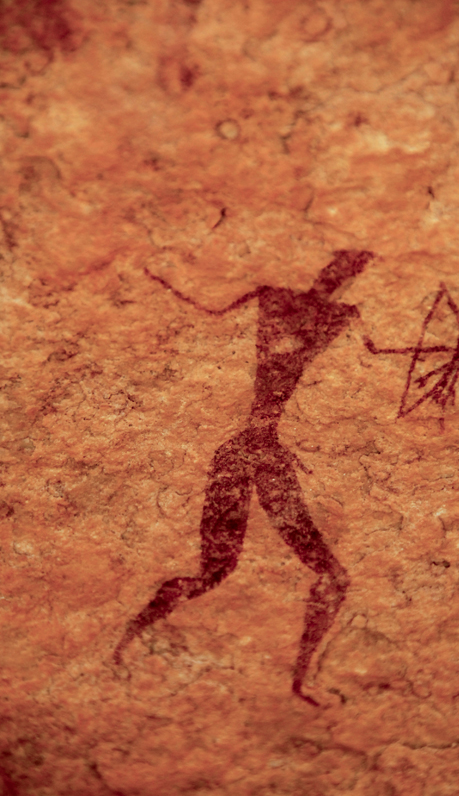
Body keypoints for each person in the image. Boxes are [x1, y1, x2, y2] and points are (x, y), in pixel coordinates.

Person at [114, 249, 374, 706]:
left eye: (349, 267)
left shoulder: (306, 306)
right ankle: (127, 637)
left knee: (325, 575)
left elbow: (378, 352)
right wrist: (156, 279)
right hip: (253, 453)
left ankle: (299, 682)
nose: (340, 273)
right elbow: (210, 311)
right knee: (220, 572)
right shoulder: (302, 305)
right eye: (344, 264)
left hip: (258, 453)